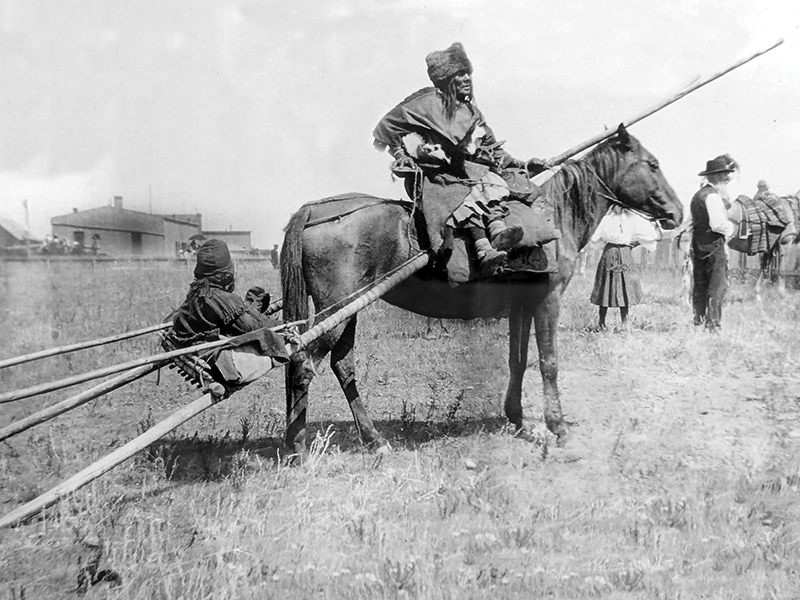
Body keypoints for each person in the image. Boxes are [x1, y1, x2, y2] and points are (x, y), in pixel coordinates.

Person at [372, 42, 558, 272]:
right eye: (460, 74)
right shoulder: (424, 103)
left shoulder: (471, 112)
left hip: (469, 173)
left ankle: (499, 232)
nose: (467, 79)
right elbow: (384, 129)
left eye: (468, 73)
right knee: (465, 192)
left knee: (493, 180)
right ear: (447, 79)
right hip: (435, 177)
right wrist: (401, 154)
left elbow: (493, 148)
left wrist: (525, 163)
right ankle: (483, 249)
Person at [166, 239, 288, 387]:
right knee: (267, 334)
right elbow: (251, 328)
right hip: (213, 361)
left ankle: (257, 311)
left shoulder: (196, 292)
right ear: (226, 271)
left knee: (250, 315)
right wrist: (280, 324)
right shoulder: (221, 298)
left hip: (192, 346)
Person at [589, 205, 662, 330]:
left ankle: (625, 323)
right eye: (615, 205)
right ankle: (601, 322)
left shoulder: (631, 220)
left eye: (621, 206)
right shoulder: (606, 219)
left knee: (625, 287)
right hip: (610, 253)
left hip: (625, 253)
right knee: (606, 287)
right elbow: (594, 238)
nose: (618, 208)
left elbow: (648, 235)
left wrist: (635, 243)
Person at [688, 154, 737, 331]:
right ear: (718, 178)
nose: (726, 180)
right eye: (725, 177)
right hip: (714, 245)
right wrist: (731, 229)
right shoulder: (713, 197)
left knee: (700, 285)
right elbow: (718, 225)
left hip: (698, 244)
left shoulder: (697, 196)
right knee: (716, 286)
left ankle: (698, 322)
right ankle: (713, 326)